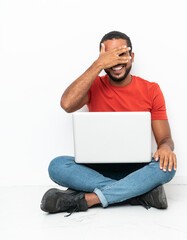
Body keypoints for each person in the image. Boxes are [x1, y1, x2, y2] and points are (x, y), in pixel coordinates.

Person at [40, 31, 177, 216]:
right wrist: (98, 65)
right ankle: (138, 194)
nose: (116, 62)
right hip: (95, 170)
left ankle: (89, 200)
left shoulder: (151, 89)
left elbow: (165, 138)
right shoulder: (94, 85)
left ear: (132, 57)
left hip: (137, 170)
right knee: (56, 166)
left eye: (121, 54)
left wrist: (166, 148)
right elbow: (67, 104)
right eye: (109, 57)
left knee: (167, 168)